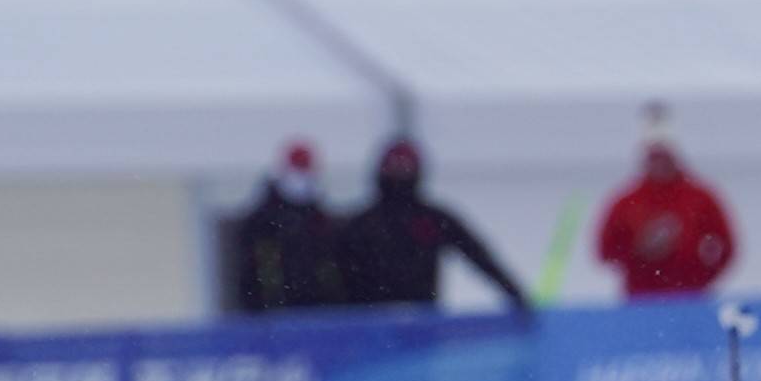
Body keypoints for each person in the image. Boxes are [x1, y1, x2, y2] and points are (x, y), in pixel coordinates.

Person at [333, 136, 535, 313]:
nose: (399, 173)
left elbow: (479, 256)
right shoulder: (359, 225)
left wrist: (515, 294)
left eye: (405, 167)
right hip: (371, 333)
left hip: (420, 330)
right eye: (394, 166)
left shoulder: (434, 219)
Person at [596, 112, 738, 295]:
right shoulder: (626, 202)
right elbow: (605, 251)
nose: (659, 165)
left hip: (690, 298)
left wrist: (702, 276)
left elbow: (727, 245)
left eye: (664, 157)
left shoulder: (700, 198)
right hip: (641, 299)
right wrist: (639, 251)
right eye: (654, 158)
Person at [228, 141, 344, 312]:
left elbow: (329, 268)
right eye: (298, 170)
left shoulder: (320, 221)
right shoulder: (261, 223)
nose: (303, 179)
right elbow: (253, 274)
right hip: (272, 316)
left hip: (317, 312)